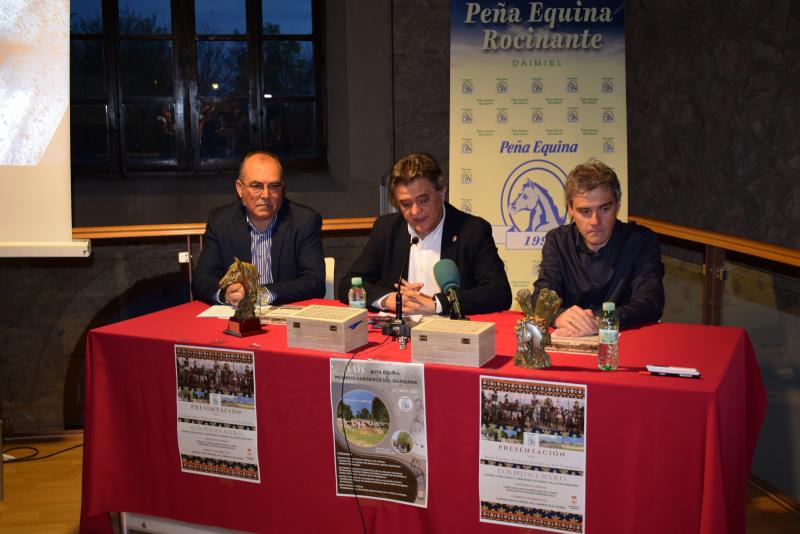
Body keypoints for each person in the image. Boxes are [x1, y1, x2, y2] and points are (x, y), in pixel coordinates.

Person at [338, 152, 511, 316]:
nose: (415, 211)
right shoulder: (387, 229)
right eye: (406, 204)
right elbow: (349, 284)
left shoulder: (472, 230)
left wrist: (437, 304)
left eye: (423, 200)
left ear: (442, 193)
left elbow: (498, 292)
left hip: (451, 334)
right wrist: (389, 300)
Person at [533, 159, 664, 336]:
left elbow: (650, 302)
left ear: (618, 204)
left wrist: (602, 320)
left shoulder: (642, 241)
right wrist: (560, 315)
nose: (595, 222)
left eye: (604, 209)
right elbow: (540, 297)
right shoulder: (557, 241)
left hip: (626, 343)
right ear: (570, 209)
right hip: (569, 340)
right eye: (585, 211)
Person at [193, 151, 325, 306]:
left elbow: (314, 282)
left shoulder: (304, 221)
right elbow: (201, 280)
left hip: (286, 315)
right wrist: (225, 294)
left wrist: (260, 293)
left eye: (274, 186)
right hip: (235, 315)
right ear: (240, 188)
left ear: (282, 188)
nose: (266, 194)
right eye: (256, 186)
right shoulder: (221, 222)